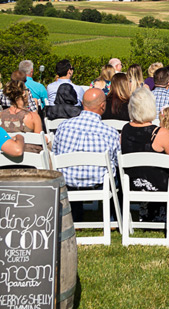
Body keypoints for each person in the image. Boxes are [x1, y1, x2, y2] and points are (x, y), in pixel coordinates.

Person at [120, 89, 169, 228]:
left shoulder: (125, 130)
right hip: (159, 184)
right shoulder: (160, 133)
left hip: (132, 183)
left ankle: (153, 214)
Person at [52, 88, 121, 220]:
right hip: (99, 183)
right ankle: (113, 218)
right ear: (102, 106)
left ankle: (74, 216)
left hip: (68, 181)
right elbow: (116, 160)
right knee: (117, 175)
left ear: (83, 104)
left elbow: (55, 153)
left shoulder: (63, 126)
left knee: (72, 171)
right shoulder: (110, 132)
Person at [0, 79, 44, 152]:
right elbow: (39, 143)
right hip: (31, 160)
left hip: (7, 158)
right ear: (23, 93)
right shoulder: (33, 116)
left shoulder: (1, 115)